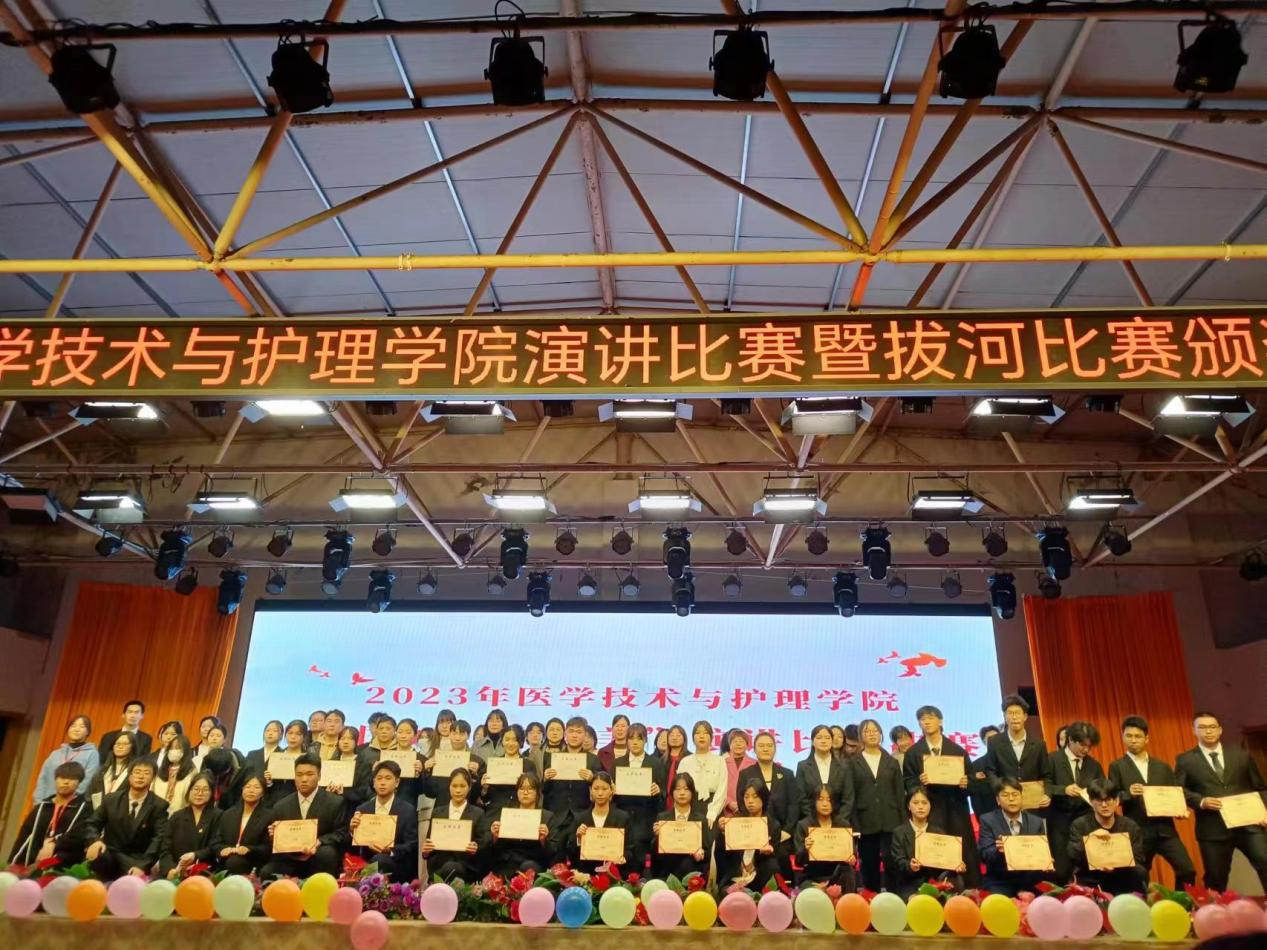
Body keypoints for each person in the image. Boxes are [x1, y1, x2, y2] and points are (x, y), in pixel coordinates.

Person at [1175, 711, 1267, 892]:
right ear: (1194, 730)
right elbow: (1178, 791)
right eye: (1202, 727)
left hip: (1249, 825)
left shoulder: (1241, 755)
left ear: (1220, 730)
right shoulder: (1185, 760)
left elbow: (1260, 787)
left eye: (1212, 727)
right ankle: (1215, 909)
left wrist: (1264, 812)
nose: (1208, 731)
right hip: (1213, 828)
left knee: (1265, 861)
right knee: (1216, 877)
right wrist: (1201, 801)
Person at [1109, 715, 1197, 889]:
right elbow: (1113, 798)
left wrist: (1180, 810)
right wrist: (1128, 793)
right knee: (1139, 876)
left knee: (1187, 870)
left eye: (1138, 736)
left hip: (1165, 829)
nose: (1133, 740)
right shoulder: (1117, 766)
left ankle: (1179, 903)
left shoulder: (1162, 766)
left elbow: (1174, 793)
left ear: (1147, 738)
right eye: (1128, 736)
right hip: (1138, 830)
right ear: (1123, 737)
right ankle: (1142, 905)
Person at [902, 705, 978, 886]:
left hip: (956, 809)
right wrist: (920, 782)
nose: (926, 722)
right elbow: (908, 782)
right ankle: (933, 888)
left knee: (961, 850)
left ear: (940, 721)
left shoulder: (958, 751)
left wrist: (966, 782)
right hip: (930, 811)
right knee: (933, 851)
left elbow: (973, 781)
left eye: (931, 718)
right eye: (922, 719)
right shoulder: (913, 753)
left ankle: (967, 887)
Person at [261, 753, 348, 878]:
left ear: (319, 776)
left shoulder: (335, 802)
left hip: (319, 855)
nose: (304, 779)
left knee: (327, 853)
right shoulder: (281, 806)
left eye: (309, 774)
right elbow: (272, 844)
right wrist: (273, 836)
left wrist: (319, 842)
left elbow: (341, 834)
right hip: (290, 858)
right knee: (267, 872)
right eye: (299, 774)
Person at [84, 758, 169, 880]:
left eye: (146, 773)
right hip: (110, 854)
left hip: (137, 860)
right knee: (98, 854)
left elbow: (159, 839)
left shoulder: (159, 805)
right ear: (129, 776)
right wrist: (95, 840)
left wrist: (142, 866)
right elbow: (92, 824)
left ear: (153, 778)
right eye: (137, 772)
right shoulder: (111, 799)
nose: (141, 776)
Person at [849, 717, 905, 892]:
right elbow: (851, 795)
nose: (872, 734)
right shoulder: (853, 762)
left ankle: (895, 897)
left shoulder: (891, 761)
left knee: (892, 861)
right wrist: (854, 825)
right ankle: (871, 897)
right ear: (861, 736)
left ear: (881, 734)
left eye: (875, 730)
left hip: (891, 819)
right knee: (869, 863)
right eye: (867, 731)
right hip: (865, 820)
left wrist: (903, 823)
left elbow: (899, 794)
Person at [1045, 720, 1104, 883]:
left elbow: (1101, 789)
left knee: (1088, 867)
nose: (1086, 750)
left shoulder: (1094, 765)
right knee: (1061, 869)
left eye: (1089, 746)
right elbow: (1043, 785)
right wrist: (1063, 790)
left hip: (1085, 820)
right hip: (1059, 821)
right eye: (1082, 745)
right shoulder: (1052, 759)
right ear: (1070, 740)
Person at [1068, 779, 1148, 894]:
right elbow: (1072, 855)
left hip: (1123, 881)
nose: (1104, 805)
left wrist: (1118, 864)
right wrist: (1090, 840)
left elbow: (1139, 863)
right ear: (1090, 802)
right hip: (1091, 883)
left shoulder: (1130, 826)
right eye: (1099, 800)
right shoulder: (1080, 825)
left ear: (1117, 801)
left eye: (1108, 800)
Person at [890, 787, 966, 900]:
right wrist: (910, 866)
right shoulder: (899, 833)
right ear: (908, 806)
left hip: (937, 883)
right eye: (916, 803)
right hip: (910, 885)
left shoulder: (938, 832)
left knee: (956, 882)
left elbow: (946, 862)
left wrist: (957, 865)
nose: (920, 807)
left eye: (924, 803)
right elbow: (898, 862)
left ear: (930, 806)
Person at [978, 778, 1051, 896]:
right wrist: (998, 851)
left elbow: (1041, 852)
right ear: (998, 800)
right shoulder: (988, 820)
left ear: (1022, 797)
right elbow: (984, 855)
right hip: (1000, 881)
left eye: (1015, 794)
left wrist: (1046, 861)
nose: (1011, 799)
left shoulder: (1036, 822)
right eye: (1005, 795)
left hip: (1029, 880)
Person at [10, 761, 91, 867]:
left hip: (64, 864)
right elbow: (24, 838)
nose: (66, 782)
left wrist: (54, 842)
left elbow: (78, 837)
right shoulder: (42, 807)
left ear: (79, 782)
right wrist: (14, 865)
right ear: (55, 780)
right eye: (62, 778)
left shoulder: (84, 808)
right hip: (33, 862)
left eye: (71, 779)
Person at [350, 761, 420, 882]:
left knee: (380, 860)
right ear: (374, 782)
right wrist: (352, 830)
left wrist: (390, 850)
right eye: (379, 778)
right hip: (367, 861)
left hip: (395, 863)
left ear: (397, 782)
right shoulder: (362, 809)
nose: (382, 782)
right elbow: (352, 846)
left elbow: (411, 845)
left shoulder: (408, 810)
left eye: (388, 778)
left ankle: (368, 885)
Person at [485, 773, 562, 876]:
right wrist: (495, 837)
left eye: (530, 789)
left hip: (534, 862)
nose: (525, 792)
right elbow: (496, 849)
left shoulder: (547, 817)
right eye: (521, 789)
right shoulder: (508, 814)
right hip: (508, 861)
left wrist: (544, 840)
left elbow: (553, 852)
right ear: (517, 792)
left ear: (537, 792)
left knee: (528, 867)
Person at [613, 722, 665, 873]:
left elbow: (663, 794)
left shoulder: (655, 763)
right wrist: (612, 790)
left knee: (641, 862)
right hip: (622, 817)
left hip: (645, 818)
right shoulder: (617, 763)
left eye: (639, 738)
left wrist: (658, 791)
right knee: (622, 859)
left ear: (646, 740)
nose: (635, 742)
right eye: (631, 738)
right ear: (627, 741)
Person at [717, 777, 782, 891]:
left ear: (763, 798)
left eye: (755, 796)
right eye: (746, 797)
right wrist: (723, 833)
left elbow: (776, 857)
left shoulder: (773, 825)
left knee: (772, 864)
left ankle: (759, 892)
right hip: (737, 875)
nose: (750, 801)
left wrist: (765, 852)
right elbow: (722, 854)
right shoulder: (736, 821)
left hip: (758, 875)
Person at [981, 694, 1051, 800]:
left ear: (1025, 716)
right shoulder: (994, 742)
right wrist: (1001, 790)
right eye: (1010, 713)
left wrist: (1047, 794)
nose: (1014, 717)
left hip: (1032, 799)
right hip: (1006, 799)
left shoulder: (1039, 744)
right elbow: (990, 771)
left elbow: (1046, 775)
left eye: (1017, 713)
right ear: (1005, 717)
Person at [424, 768, 488, 882]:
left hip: (466, 867)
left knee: (451, 867)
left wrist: (475, 847)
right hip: (439, 866)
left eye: (462, 786)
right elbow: (429, 845)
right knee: (447, 867)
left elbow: (482, 846)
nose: (458, 790)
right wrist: (426, 851)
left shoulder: (478, 813)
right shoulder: (437, 812)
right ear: (449, 787)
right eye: (454, 786)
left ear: (469, 787)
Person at [157, 772, 221, 879]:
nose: (200, 793)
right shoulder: (177, 816)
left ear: (211, 793)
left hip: (205, 873)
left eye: (205, 790)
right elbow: (165, 848)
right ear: (189, 791)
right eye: (196, 789)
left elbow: (215, 846)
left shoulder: (218, 816)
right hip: (176, 870)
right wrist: (170, 869)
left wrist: (196, 855)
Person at [542, 716, 602, 826]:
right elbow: (544, 791)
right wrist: (545, 779)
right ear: (565, 734)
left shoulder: (593, 759)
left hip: (583, 815)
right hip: (556, 816)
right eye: (571, 731)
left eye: (579, 732)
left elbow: (601, 789)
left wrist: (592, 779)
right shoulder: (554, 758)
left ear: (585, 735)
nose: (574, 735)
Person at [651, 773, 711, 880]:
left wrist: (701, 854)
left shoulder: (700, 820)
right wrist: (658, 837)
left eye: (686, 789)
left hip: (692, 875)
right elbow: (654, 854)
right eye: (678, 789)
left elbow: (707, 854)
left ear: (692, 793)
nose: (682, 793)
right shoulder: (663, 818)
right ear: (672, 792)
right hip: (667, 873)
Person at [794, 783, 855, 888]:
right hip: (812, 875)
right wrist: (805, 849)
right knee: (808, 888)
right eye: (820, 799)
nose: (825, 804)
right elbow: (798, 861)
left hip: (837, 875)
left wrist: (851, 858)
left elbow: (852, 854)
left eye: (829, 800)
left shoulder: (843, 825)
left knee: (848, 872)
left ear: (834, 803)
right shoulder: (804, 825)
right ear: (814, 801)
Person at [569, 772, 633, 872]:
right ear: (590, 790)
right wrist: (579, 839)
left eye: (604, 789)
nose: (600, 793)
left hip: (613, 874)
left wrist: (622, 858)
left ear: (611, 790)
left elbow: (630, 849)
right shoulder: (580, 819)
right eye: (596, 789)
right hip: (586, 874)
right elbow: (570, 853)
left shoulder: (622, 818)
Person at [211, 772, 273, 875]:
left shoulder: (268, 816)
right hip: (227, 859)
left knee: (234, 862)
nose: (251, 790)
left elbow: (267, 848)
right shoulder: (228, 814)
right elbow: (215, 842)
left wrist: (249, 849)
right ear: (242, 790)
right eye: (247, 787)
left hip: (252, 861)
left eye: (256, 787)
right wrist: (222, 849)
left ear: (263, 792)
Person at [34, 714, 99, 804]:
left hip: (71, 805)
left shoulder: (92, 754)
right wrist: (38, 801)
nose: (76, 729)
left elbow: (88, 780)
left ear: (88, 732)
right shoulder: (55, 754)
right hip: (47, 803)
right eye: (73, 726)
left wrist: (66, 798)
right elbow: (43, 779)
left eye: (82, 726)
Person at [798, 723, 854, 822]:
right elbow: (801, 798)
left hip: (839, 823)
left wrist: (839, 821)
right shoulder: (803, 766)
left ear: (832, 741)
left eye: (827, 738)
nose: (823, 741)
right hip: (811, 823)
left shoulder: (843, 767)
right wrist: (814, 820)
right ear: (812, 742)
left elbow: (848, 799)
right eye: (819, 738)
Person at [678, 720, 727, 826]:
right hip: (690, 805)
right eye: (698, 733)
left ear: (711, 738)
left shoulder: (719, 760)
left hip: (714, 805)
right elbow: (678, 789)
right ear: (692, 738)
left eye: (705, 733)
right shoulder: (685, 761)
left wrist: (713, 812)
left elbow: (722, 789)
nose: (701, 736)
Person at [480, 725, 538, 814]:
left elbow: (535, 793)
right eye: (507, 739)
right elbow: (485, 798)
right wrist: (484, 788)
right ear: (502, 741)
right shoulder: (494, 764)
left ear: (521, 742)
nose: (510, 744)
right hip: (495, 811)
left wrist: (524, 783)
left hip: (520, 812)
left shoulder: (528, 765)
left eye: (515, 740)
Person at [264, 719, 310, 807]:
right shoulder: (275, 756)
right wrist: (269, 782)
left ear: (304, 737)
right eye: (290, 733)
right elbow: (268, 787)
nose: (293, 737)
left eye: (298, 734)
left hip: (297, 804)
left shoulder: (308, 758)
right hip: (273, 804)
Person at [152, 734, 196, 808]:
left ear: (186, 751)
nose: (173, 751)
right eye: (171, 748)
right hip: (158, 811)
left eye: (177, 748)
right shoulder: (161, 771)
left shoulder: (192, 772)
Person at [721, 728, 757, 817]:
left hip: (750, 810)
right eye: (735, 741)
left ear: (747, 745)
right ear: (730, 745)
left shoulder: (754, 763)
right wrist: (729, 803)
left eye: (741, 741)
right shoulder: (722, 763)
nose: (738, 744)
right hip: (726, 811)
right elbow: (718, 787)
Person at [393, 718, 427, 809]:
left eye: (408, 733)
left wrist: (420, 774)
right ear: (395, 733)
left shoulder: (421, 759)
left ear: (415, 735)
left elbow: (424, 790)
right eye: (400, 732)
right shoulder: (387, 755)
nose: (403, 736)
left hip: (409, 805)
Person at [969, 725, 1001, 818]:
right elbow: (976, 797)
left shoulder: (1011, 760)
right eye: (990, 739)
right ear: (984, 742)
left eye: (997, 737)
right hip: (989, 815)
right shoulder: (976, 765)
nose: (994, 741)